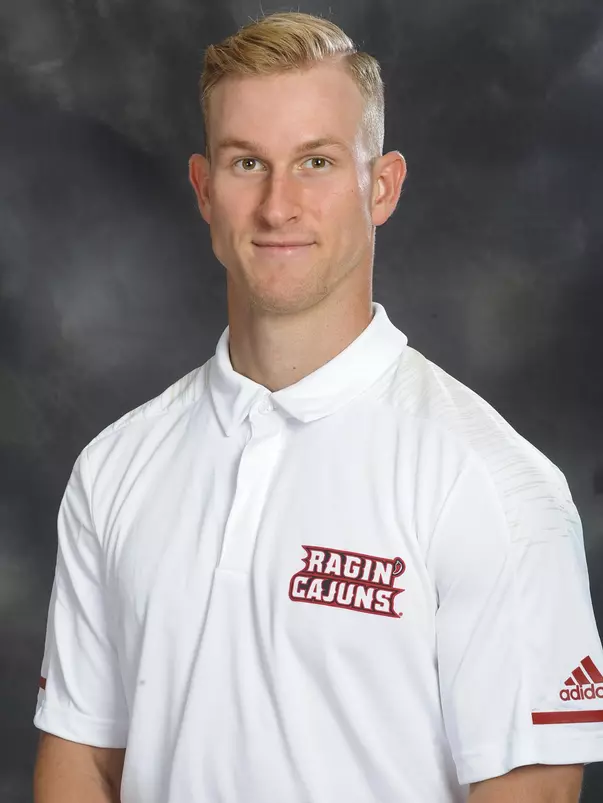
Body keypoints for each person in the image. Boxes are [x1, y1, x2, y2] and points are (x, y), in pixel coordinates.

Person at [32, 10, 603, 803]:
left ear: (381, 187)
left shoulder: (496, 487)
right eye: (245, 164)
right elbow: (82, 762)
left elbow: (531, 792)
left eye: (316, 162)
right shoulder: (114, 467)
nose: (277, 205)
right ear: (203, 190)